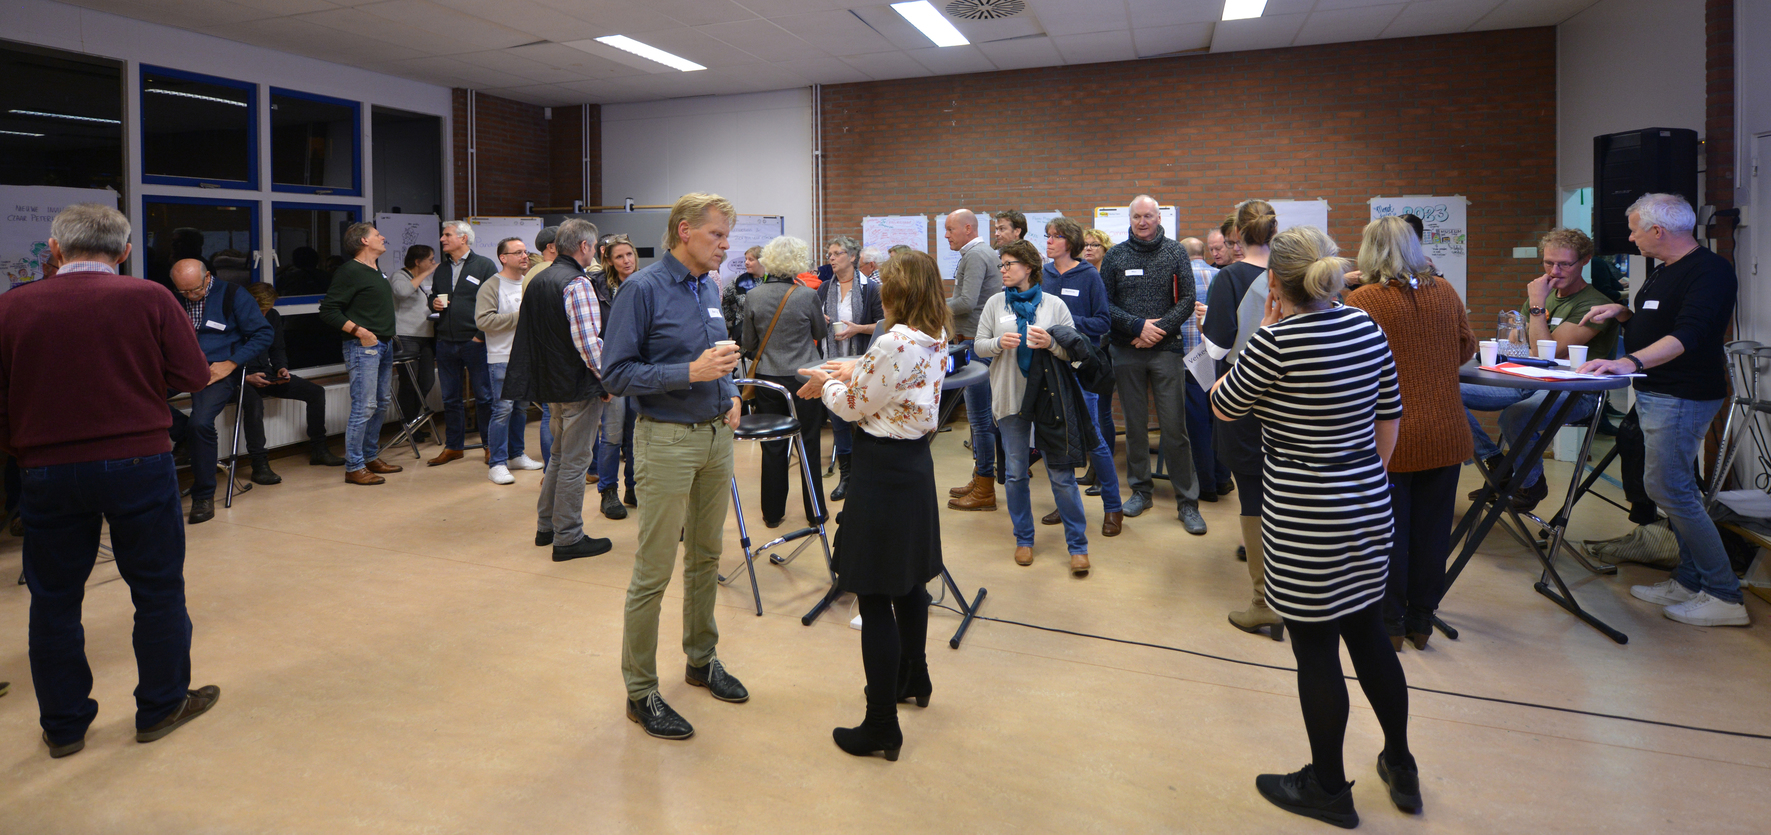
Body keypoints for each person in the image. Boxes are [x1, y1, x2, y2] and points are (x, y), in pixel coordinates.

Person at [1209, 225, 1419, 826]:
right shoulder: (1365, 328)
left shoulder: (1275, 343)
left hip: (1304, 515)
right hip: (1367, 504)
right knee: (1369, 634)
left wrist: (1264, 330)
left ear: (1274, 283)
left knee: (1317, 648)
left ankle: (1327, 787)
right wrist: (1360, 480)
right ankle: (1400, 763)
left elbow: (1222, 403)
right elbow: (1389, 418)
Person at [0, 203, 221, 758]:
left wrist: (23, 449)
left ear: (56, 249)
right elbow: (193, 375)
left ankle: (64, 726)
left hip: (45, 469)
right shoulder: (150, 298)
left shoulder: (13, 306)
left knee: (53, 600)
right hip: (138, 462)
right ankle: (162, 706)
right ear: (124, 252)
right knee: (157, 588)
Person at [602, 193, 748, 740]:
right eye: (717, 235)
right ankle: (640, 690)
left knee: (706, 556)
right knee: (654, 570)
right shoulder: (641, 290)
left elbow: (715, 357)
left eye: (727, 236)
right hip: (665, 441)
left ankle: (701, 659)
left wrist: (729, 391)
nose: (725, 246)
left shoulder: (707, 286)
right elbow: (616, 375)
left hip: (715, 437)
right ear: (685, 231)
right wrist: (689, 372)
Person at [796, 249, 951, 760]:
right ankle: (914, 677)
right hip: (913, 466)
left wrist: (828, 383)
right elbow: (891, 381)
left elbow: (854, 406)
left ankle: (881, 723)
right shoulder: (934, 334)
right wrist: (854, 369)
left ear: (898, 292)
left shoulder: (892, 340)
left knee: (874, 594)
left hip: (881, 471)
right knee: (908, 583)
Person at [1579, 193, 1749, 628]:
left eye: (1634, 230)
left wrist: (1628, 361)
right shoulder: (1663, 270)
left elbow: (1688, 336)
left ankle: (1724, 594)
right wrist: (1623, 315)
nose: (1630, 238)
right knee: (1669, 489)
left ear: (1657, 230)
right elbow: (1655, 323)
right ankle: (1690, 581)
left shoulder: (1710, 271)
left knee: (1672, 491)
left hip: (1683, 394)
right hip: (1658, 392)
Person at [1346, 216, 1477, 650]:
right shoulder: (1446, 291)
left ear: (1369, 251)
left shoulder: (1363, 300)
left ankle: (1391, 624)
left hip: (1390, 435)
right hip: (1446, 430)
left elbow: (1354, 364)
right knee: (1433, 533)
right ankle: (1422, 621)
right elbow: (1465, 347)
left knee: (1388, 534)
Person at [1461, 228, 1618, 511]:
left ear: (1584, 261)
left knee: (1516, 417)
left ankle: (1530, 484)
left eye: (1564, 264)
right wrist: (1535, 336)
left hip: (1574, 390)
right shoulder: (1545, 296)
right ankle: (1494, 462)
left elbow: (1549, 352)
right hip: (1528, 380)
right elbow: (1515, 345)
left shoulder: (1594, 304)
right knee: (1441, 392)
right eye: (1548, 263)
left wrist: (1536, 308)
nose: (1554, 271)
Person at [976, 238, 1095, 572]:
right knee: (1015, 474)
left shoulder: (1054, 305)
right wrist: (998, 343)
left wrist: (1052, 343)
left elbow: (1075, 350)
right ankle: (1024, 540)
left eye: (1009, 264)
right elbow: (978, 346)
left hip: (1049, 400)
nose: (1003, 270)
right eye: (1001, 264)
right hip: (1010, 397)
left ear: (1028, 267)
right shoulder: (995, 303)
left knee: (1061, 475)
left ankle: (1078, 546)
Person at [500, 218, 613, 564]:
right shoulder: (577, 283)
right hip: (577, 385)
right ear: (584, 246)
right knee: (576, 461)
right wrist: (607, 380)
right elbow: (588, 343)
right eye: (594, 247)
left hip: (550, 384)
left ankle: (546, 526)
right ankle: (568, 537)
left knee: (561, 457)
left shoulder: (539, 278)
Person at [1101, 195, 1206, 533]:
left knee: (1174, 428)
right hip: (1126, 349)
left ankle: (1187, 502)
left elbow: (1188, 299)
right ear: (1130, 220)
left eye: (1148, 216)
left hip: (1166, 350)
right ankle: (1140, 492)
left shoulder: (1175, 252)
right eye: (1137, 217)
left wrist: (1156, 330)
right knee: (1134, 426)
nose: (1143, 222)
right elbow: (1105, 303)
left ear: (1158, 218)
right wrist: (1137, 327)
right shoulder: (1115, 256)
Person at [1204, 200, 1277, 636]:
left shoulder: (1229, 278)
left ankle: (1264, 601)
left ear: (1237, 235)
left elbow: (1216, 347)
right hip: (1291, 403)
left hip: (1245, 398)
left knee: (1252, 495)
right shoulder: (1293, 273)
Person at [165, 258, 273, 523]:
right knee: (137, 399)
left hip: (219, 369)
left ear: (207, 277)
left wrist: (231, 363)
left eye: (195, 290)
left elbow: (263, 334)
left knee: (201, 423)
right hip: (180, 368)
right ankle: (184, 435)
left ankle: (203, 495)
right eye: (183, 291)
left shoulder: (233, 294)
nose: (190, 296)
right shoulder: (172, 297)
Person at [1041, 217, 1123, 537]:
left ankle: (1113, 507)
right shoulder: (1044, 275)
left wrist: (1064, 322)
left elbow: (1102, 323)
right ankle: (1067, 505)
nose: (1049, 241)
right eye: (1047, 236)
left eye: (1056, 236)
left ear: (1070, 242)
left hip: (1081, 367)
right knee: (1058, 439)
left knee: (1094, 439)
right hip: (1050, 367)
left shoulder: (1089, 276)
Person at [743, 236, 828, 528]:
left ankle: (772, 513)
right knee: (809, 442)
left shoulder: (754, 296)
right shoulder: (806, 295)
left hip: (768, 380)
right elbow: (820, 332)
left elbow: (748, 343)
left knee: (773, 445)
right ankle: (815, 511)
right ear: (798, 262)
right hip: (804, 378)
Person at [317, 222, 403, 485]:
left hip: (384, 345)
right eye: (377, 234)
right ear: (364, 241)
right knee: (364, 406)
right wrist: (360, 332)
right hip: (363, 347)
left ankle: (369, 456)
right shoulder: (349, 271)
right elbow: (328, 311)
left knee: (381, 402)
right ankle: (354, 466)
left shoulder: (376, 270)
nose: (382, 237)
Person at [238, 283, 346, 484]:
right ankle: (259, 465)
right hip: (241, 377)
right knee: (254, 405)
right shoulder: (233, 318)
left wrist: (281, 368)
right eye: (261, 309)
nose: (264, 313)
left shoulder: (272, 316)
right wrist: (245, 378)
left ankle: (319, 450)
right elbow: (222, 359)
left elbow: (277, 348)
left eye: (268, 309)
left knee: (316, 392)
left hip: (266, 372)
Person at [944, 210, 1004, 511]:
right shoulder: (977, 253)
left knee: (980, 419)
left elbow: (966, 303)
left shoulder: (977, 255)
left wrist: (932, 306)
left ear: (968, 228)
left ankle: (984, 488)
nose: (946, 235)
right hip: (974, 340)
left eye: (950, 229)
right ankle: (980, 476)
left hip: (975, 343)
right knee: (980, 418)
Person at [474, 237, 544, 485]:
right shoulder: (492, 285)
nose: (525, 256)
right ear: (503, 258)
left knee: (521, 408)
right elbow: (483, 321)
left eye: (525, 251)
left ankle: (516, 454)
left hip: (527, 357)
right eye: (518, 252)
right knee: (502, 410)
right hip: (502, 357)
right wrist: (520, 316)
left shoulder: (529, 282)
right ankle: (497, 463)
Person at [428, 220, 498, 467]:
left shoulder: (484, 265)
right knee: (450, 399)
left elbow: (495, 301)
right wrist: (433, 302)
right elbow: (433, 295)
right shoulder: (442, 269)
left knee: (484, 397)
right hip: (445, 341)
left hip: (474, 341)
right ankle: (454, 447)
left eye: (447, 235)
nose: (442, 239)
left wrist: (480, 334)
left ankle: (490, 447)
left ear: (463, 238)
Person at [821, 234, 885, 502]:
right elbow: (816, 324)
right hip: (833, 361)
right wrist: (821, 320)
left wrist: (858, 329)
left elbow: (883, 326)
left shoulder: (870, 288)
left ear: (852, 256)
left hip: (862, 363)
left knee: (864, 418)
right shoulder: (825, 288)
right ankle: (846, 476)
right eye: (829, 254)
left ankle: (866, 474)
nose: (831, 258)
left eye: (837, 253)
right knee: (838, 418)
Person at [1177, 235, 1230, 503]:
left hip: (1190, 359)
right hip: (1217, 357)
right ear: (1203, 253)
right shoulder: (1221, 277)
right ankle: (1223, 478)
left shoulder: (1179, 279)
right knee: (1219, 417)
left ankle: (1206, 485)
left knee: (1197, 424)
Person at [594, 235, 641, 515]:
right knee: (612, 435)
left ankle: (633, 488)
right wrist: (603, 377)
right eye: (620, 256)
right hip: (613, 371)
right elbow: (596, 334)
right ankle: (608, 491)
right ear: (609, 261)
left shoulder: (644, 283)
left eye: (629, 255)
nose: (626, 261)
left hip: (640, 371)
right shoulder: (598, 288)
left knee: (637, 436)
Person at [390, 244, 439, 440]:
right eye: (430, 259)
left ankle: (414, 423)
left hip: (425, 335)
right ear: (418, 262)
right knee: (409, 383)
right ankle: (408, 428)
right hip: (406, 336)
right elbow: (402, 292)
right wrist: (426, 273)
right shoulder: (399, 276)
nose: (433, 263)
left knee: (426, 381)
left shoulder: (423, 279)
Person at [1080, 227, 1117, 462]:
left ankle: (1104, 462)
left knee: (1102, 409)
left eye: (1095, 245)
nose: (1089, 249)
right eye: (1085, 245)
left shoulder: (1108, 276)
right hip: (1085, 348)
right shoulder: (1081, 275)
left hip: (1106, 349)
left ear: (1105, 249)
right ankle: (1092, 460)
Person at [722, 245, 763, 339]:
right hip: (742, 333)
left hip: (765, 332)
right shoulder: (739, 281)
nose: (746, 263)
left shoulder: (771, 281)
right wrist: (733, 318)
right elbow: (723, 299)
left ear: (762, 262)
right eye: (746, 259)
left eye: (751, 260)